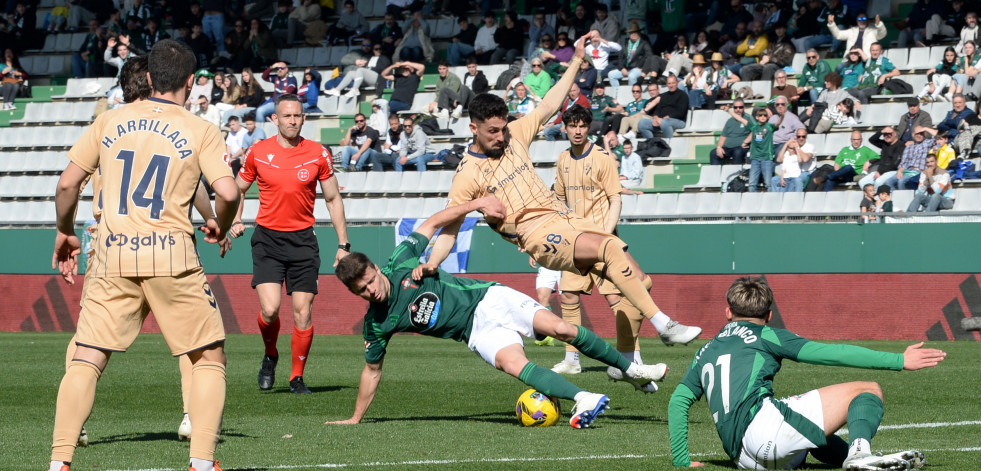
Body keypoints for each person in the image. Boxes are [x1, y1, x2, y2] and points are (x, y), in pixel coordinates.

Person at [416, 31, 702, 355]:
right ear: (474, 129)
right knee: (606, 251)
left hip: (566, 218)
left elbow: (551, 102)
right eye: (492, 131)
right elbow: (450, 229)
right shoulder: (467, 173)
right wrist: (433, 263)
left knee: (639, 279)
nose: (500, 136)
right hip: (539, 235)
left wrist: (578, 59)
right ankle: (663, 325)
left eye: (502, 128)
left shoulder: (515, 133)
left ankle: (627, 361)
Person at [49, 39, 239, 471]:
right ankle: (202, 463)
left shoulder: (108, 120)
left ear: (149, 78)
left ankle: (59, 462)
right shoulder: (201, 128)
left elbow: (66, 186)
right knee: (207, 356)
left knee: (87, 356)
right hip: (172, 256)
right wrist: (222, 225)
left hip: (110, 253)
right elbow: (226, 192)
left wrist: (64, 232)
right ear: (191, 83)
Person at [326, 197, 671, 429]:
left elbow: (432, 222)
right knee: (513, 365)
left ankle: (632, 369)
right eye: (362, 291)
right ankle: (585, 398)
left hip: (489, 299)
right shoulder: (377, 323)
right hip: (475, 333)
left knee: (561, 329)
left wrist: (475, 204)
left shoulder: (400, 260)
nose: (371, 290)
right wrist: (356, 418)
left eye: (370, 281)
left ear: (373, 267)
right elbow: (372, 371)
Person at [669, 276, 944, 469]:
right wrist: (898, 359)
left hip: (744, 458)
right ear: (769, 316)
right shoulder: (766, 334)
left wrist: (682, 459)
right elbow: (834, 354)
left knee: (803, 425)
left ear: (728, 311)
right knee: (868, 389)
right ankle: (860, 453)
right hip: (765, 434)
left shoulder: (706, 350)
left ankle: (861, 458)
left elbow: (677, 402)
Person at [230, 94, 350, 395]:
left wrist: (343, 243)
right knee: (270, 311)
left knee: (302, 312)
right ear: (275, 119)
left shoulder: (318, 153)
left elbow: (333, 198)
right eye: (286, 116)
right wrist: (235, 219)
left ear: (303, 118)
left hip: (303, 241)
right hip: (268, 240)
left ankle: (296, 377)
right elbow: (237, 189)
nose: (292, 121)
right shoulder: (258, 152)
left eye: (297, 116)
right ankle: (271, 354)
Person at [549, 105, 654, 384]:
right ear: (566, 128)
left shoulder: (603, 158)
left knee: (618, 298)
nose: (578, 130)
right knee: (569, 297)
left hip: (602, 240)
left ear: (589, 127)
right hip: (573, 242)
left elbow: (615, 199)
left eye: (583, 125)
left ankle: (632, 358)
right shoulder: (562, 160)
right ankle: (572, 360)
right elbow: (557, 201)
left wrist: (606, 238)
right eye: (573, 125)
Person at [325, 39, 391, 98]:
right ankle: (337, 90)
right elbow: (343, 60)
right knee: (349, 74)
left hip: (375, 78)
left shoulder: (384, 58)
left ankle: (355, 89)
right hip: (353, 77)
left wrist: (366, 67)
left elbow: (382, 69)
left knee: (360, 70)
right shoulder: (360, 54)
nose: (378, 50)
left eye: (380, 49)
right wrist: (355, 61)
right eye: (376, 49)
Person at [735, 107, 777, 192]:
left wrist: (783, 116)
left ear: (767, 117)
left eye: (765, 115)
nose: (762, 117)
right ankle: (753, 203)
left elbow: (778, 123)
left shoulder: (770, 127)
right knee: (752, 184)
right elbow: (741, 119)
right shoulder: (754, 127)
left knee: (768, 184)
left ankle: (771, 202)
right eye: (760, 115)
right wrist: (728, 111)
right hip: (755, 159)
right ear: (757, 117)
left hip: (767, 159)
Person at [638, 75, 688, 139]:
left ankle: (669, 144)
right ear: (667, 84)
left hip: (678, 121)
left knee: (665, 122)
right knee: (642, 123)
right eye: (669, 83)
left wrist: (664, 118)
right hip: (661, 120)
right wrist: (655, 117)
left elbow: (680, 112)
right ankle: (652, 143)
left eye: (673, 83)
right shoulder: (664, 96)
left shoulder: (683, 95)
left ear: (677, 83)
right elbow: (658, 109)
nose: (671, 85)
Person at [608, 23, 654, 89]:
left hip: (638, 68)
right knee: (611, 74)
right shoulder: (626, 43)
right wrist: (622, 68)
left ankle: (633, 95)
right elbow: (620, 57)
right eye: (631, 32)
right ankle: (617, 94)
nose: (633, 34)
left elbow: (649, 55)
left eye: (635, 32)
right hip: (626, 68)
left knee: (632, 76)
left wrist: (641, 66)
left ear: (639, 33)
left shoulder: (644, 43)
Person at [860, 126, 905, 191]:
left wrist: (880, 172)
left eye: (890, 133)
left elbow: (894, 164)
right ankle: (869, 199)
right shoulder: (885, 144)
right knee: (862, 182)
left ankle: (878, 199)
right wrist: (881, 131)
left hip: (893, 171)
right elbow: (872, 140)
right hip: (880, 171)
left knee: (878, 182)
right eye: (885, 134)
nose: (887, 136)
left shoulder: (900, 145)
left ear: (895, 133)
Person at [769, 128, 814, 193]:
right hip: (791, 173)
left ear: (806, 137)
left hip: (806, 172)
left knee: (797, 180)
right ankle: (776, 198)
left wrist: (797, 148)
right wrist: (786, 145)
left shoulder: (809, 146)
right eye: (799, 136)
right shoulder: (791, 148)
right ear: (796, 137)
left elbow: (805, 159)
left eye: (803, 136)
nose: (801, 138)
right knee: (774, 180)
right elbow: (779, 159)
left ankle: (797, 197)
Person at [713, 100, 751, 165]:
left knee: (737, 152)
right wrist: (719, 147)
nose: (738, 109)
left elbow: (755, 131)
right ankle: (715, 174)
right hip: (728, 147)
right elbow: (723, 137)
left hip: (741, 147)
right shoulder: (729, 121)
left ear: (744, 107)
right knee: (713, 153)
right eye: (735, 107)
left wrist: (746, 142)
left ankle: (736, 173)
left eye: (740, 107)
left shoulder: (748, 118)